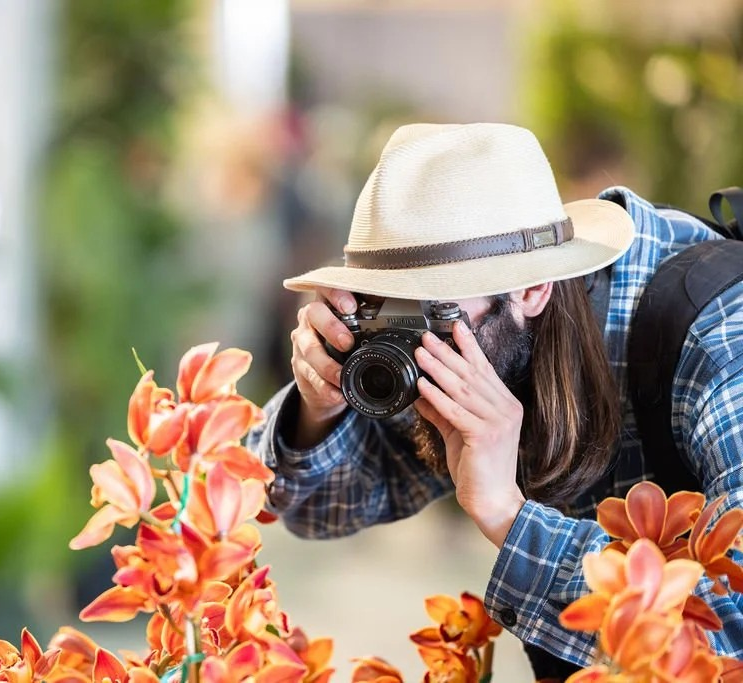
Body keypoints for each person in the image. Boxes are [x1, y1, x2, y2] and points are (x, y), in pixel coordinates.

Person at [245, 122, 743, 676]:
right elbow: (314, 511)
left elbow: (731, 630)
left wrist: (507, 513)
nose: (416, 343)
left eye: (429, 313)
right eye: (388, 311)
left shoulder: (721, 342)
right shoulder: (475, 329)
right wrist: (319, 411)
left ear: (531, 288)